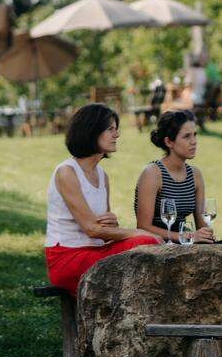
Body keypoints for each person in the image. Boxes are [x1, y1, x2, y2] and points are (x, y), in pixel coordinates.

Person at [45, 103, 162, 295]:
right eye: (110, 129)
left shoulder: (102, 175)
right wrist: (137, 232)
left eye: (116, 129)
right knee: (144, 242)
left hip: (95, 252)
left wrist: (112, 225)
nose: (116, 135)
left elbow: (103, 230)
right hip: (68, 258)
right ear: (91, 131)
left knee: (145, 243)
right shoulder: (67, 172)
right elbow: (92, 229)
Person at [134, 110, 214, 243]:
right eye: (187, 136)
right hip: (154, 245)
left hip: (185, 243)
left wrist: (206, 233)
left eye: (195, 135)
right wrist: (184, 236)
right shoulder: (153, 173)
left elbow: (201, 225)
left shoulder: (195, 175)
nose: (194, 141)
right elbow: (143, 226)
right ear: (169, 142)